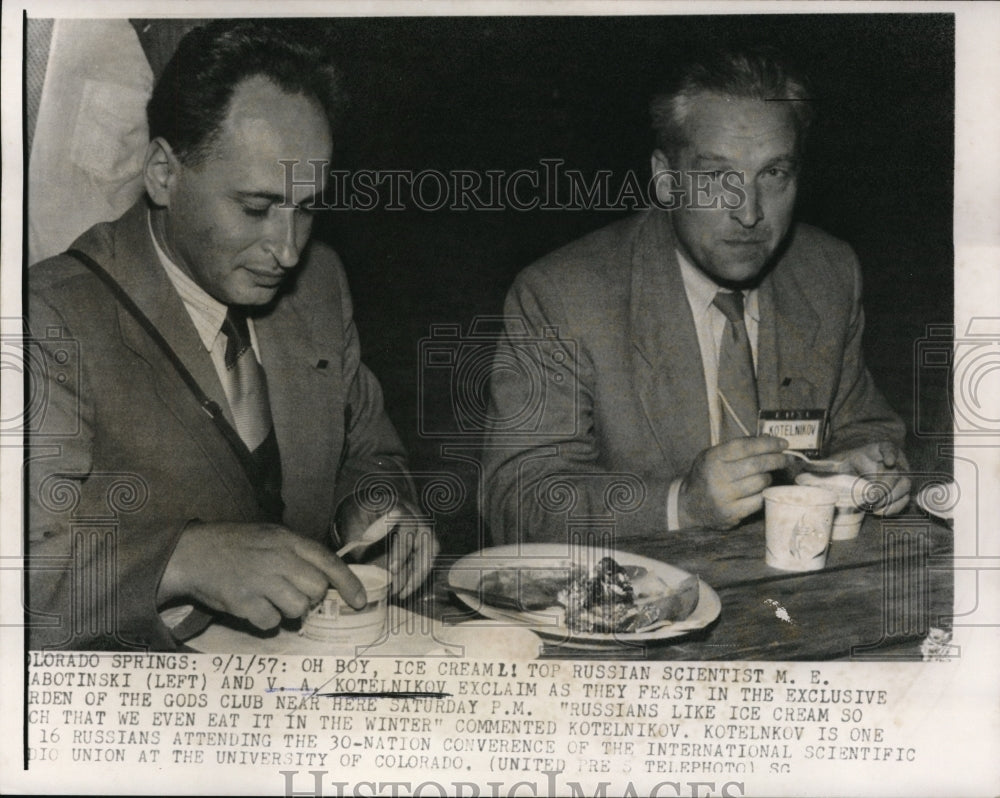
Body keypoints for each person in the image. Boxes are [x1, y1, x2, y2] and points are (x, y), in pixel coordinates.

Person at [26, 20, 437, 650]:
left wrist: (378, 506)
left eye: (306, 207)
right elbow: (22, 571)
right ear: (163, 172)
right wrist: (183, 559)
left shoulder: (320, 284)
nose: (289, 248)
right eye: (255, 208)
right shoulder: (52, 317)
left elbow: (367, 450)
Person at [481, 47, 911, 543]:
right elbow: (516, 498)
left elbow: (863, 425)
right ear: (666, 179)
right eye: (715, 177)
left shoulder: (827, 273)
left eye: (773, 174)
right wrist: (681, 503)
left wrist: (867, 464)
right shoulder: (562, 295)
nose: (748, 212)